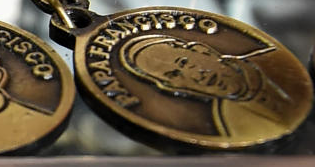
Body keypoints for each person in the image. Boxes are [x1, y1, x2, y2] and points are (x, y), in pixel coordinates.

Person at [121, 34, 292, 139]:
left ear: (202, 50)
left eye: (184, 62)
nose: (195, 75)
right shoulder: (229, 127)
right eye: (173, 75)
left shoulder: (276, 61)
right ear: (174, 87)